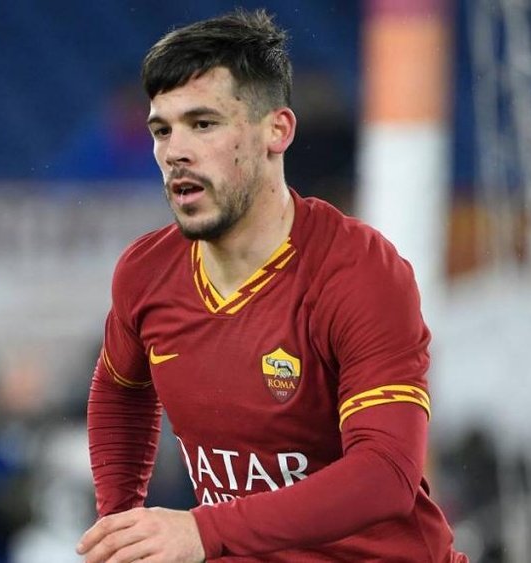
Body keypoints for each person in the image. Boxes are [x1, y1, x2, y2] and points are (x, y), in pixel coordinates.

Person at [76, 9, 467, 562]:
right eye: (162, 129)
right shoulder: (146, 271)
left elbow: (385, 473)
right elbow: (120, 389)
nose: (174, 151)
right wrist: (122, 526)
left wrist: (202, 532)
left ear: (276, 131)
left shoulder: (358, 273)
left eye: (203, 123)